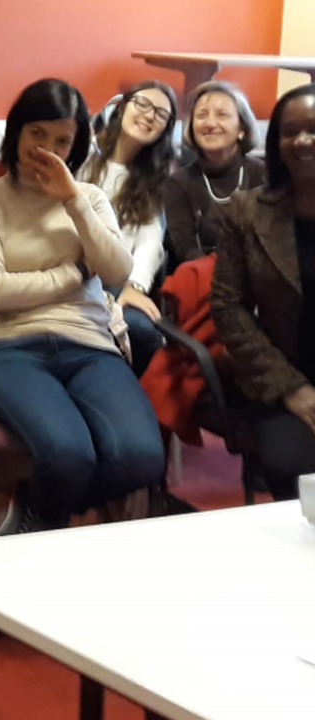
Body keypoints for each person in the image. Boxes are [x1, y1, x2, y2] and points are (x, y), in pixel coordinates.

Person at [0, 78, 164, 534]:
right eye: (37, 134)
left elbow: (114, 272)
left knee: (142, 458)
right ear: (16, 131)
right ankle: (46, 519)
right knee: (68, 453)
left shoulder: (89, 199)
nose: (46, 149)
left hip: (89, 344)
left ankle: (40, 508)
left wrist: (73, 201)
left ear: (76, 146)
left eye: (61, 140)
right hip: (9, 348)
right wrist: (74, 275)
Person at [210, 83, 315, 501]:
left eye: (313, 128)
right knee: (294, 471)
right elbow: (228, 307)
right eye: (291, 131)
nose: (303, 140)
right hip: (282, 377)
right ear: (276, 142)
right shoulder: (246, 211)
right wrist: (291, 388)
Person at [79, 81, 177, 375]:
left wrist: (135, 286)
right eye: (143, 104)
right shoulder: (84, 156)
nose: (149, 115)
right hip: (70, 270)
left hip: (117, 278)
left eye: (161, 114)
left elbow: (150, 243)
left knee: (142, 330)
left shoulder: (156, 179)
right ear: (122, 106)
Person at [162, 81, 266, 265]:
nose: (210, 124)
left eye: (222, 115)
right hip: (203, 279)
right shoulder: (178, 182)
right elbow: (185, 247)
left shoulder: (264, 175)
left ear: (242, 129)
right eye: (201, 115)